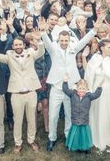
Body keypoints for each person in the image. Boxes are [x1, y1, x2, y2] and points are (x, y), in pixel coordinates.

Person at [42, 17, 99, 152]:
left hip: (71, 88)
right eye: (62, 40)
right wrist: (44, 32)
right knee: (53, 115)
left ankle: (68, 136)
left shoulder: (73, 48)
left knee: (69, 114)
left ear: (69, 40)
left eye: (66, 41)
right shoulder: (53, 50)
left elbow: (84, 41)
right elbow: (47, 42)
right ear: (58, 40)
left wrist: (95, 29)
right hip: (56, 87)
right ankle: (52, 138)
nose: (64, 43)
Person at [0, 34, 45, 154]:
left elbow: (40, 52)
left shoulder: (30, 52)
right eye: (16, 45)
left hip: (31, 92)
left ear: (24, 45)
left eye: (20, 44)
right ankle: (18, 143)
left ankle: (31, 140)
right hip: (16, 93)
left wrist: (40, 41)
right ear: (13, 46)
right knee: (17, 119)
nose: (18, 46)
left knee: (31, 119)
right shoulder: (9, 55)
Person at [62, 76, 102, 153]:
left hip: (84, 120)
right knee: (75, 134)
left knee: (84, 135)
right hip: (75, 119)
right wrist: (65, 82)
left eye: (83, 89)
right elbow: (65, 90)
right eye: (80, 88)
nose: (81, 90)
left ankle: (86, 147)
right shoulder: (73, 94)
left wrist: (99, 87)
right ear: (77, 88)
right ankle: (74, 146)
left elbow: (96, 95)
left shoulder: (89, 96)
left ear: (86, 89)